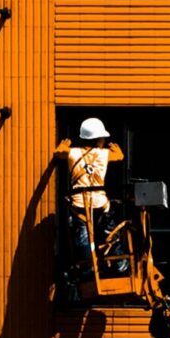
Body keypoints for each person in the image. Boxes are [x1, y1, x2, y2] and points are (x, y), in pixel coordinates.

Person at [55, 117, 128, 278]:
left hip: (80, 203)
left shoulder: (73, 153)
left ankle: (88, 269)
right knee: (109, 230)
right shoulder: (104, 154)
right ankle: (119, 261)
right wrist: (114, 147)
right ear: (98, 139)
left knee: (83, 237)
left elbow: (58, 153)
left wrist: (64, 145)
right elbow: (120, 156)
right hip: (100, 202)